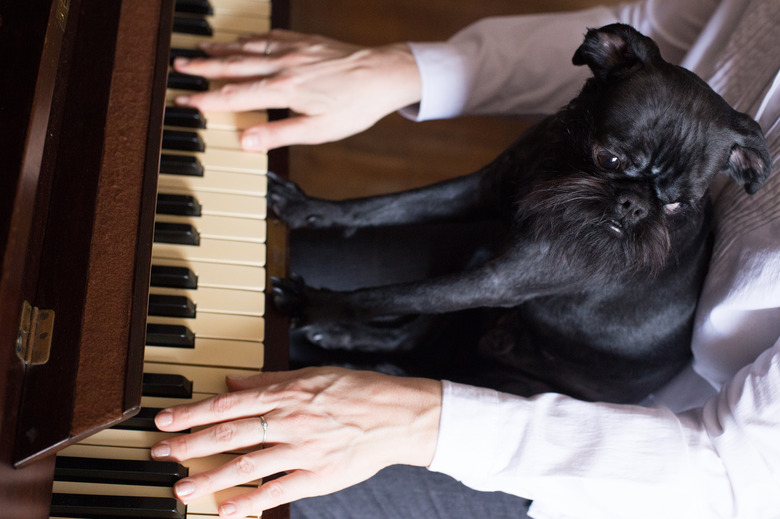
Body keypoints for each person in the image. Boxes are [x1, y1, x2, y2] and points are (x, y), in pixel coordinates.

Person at [151, 0, 780, 517]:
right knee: (221, 298)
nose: (633, 202)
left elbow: (733, 477)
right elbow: (663, 26)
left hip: (617, 448)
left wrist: (416, 420)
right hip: (498, 279)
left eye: (669, 205)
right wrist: (408, 68)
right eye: (614, 163)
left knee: (230, 472)